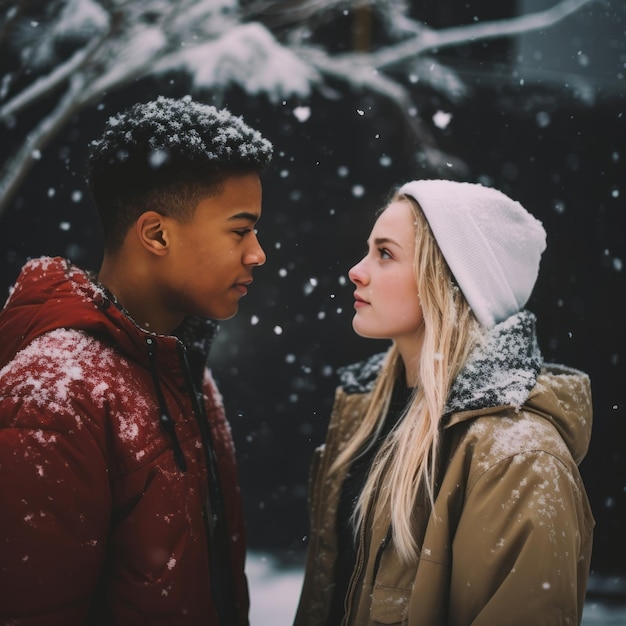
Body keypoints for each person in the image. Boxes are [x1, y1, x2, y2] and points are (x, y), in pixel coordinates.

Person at [0, 95, 273, 625]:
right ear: (156, 234)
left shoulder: (184, 369)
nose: (257, 253)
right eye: (240, 230)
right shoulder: (52, 392)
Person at [294, 179, 594, 626]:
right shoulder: (366, 416)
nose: (357, 271)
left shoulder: (520, 458)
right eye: (368, 250)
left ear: (450, 279)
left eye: (386, 253)